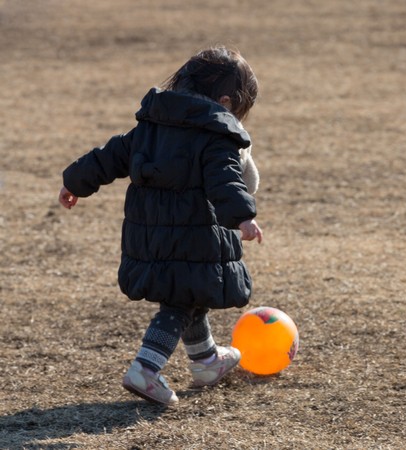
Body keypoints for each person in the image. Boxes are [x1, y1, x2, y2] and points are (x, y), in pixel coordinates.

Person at [58, 47, 263, 406]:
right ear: (226, 101)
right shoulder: (217, 135)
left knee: (190, 293)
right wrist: (243, 216)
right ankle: (146, 369)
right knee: (180, 304)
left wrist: (76, 181)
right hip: (193, 235)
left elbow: (112, 154)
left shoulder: (153, 125)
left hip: (150, 234)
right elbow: (227, 180)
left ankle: (206, 361)